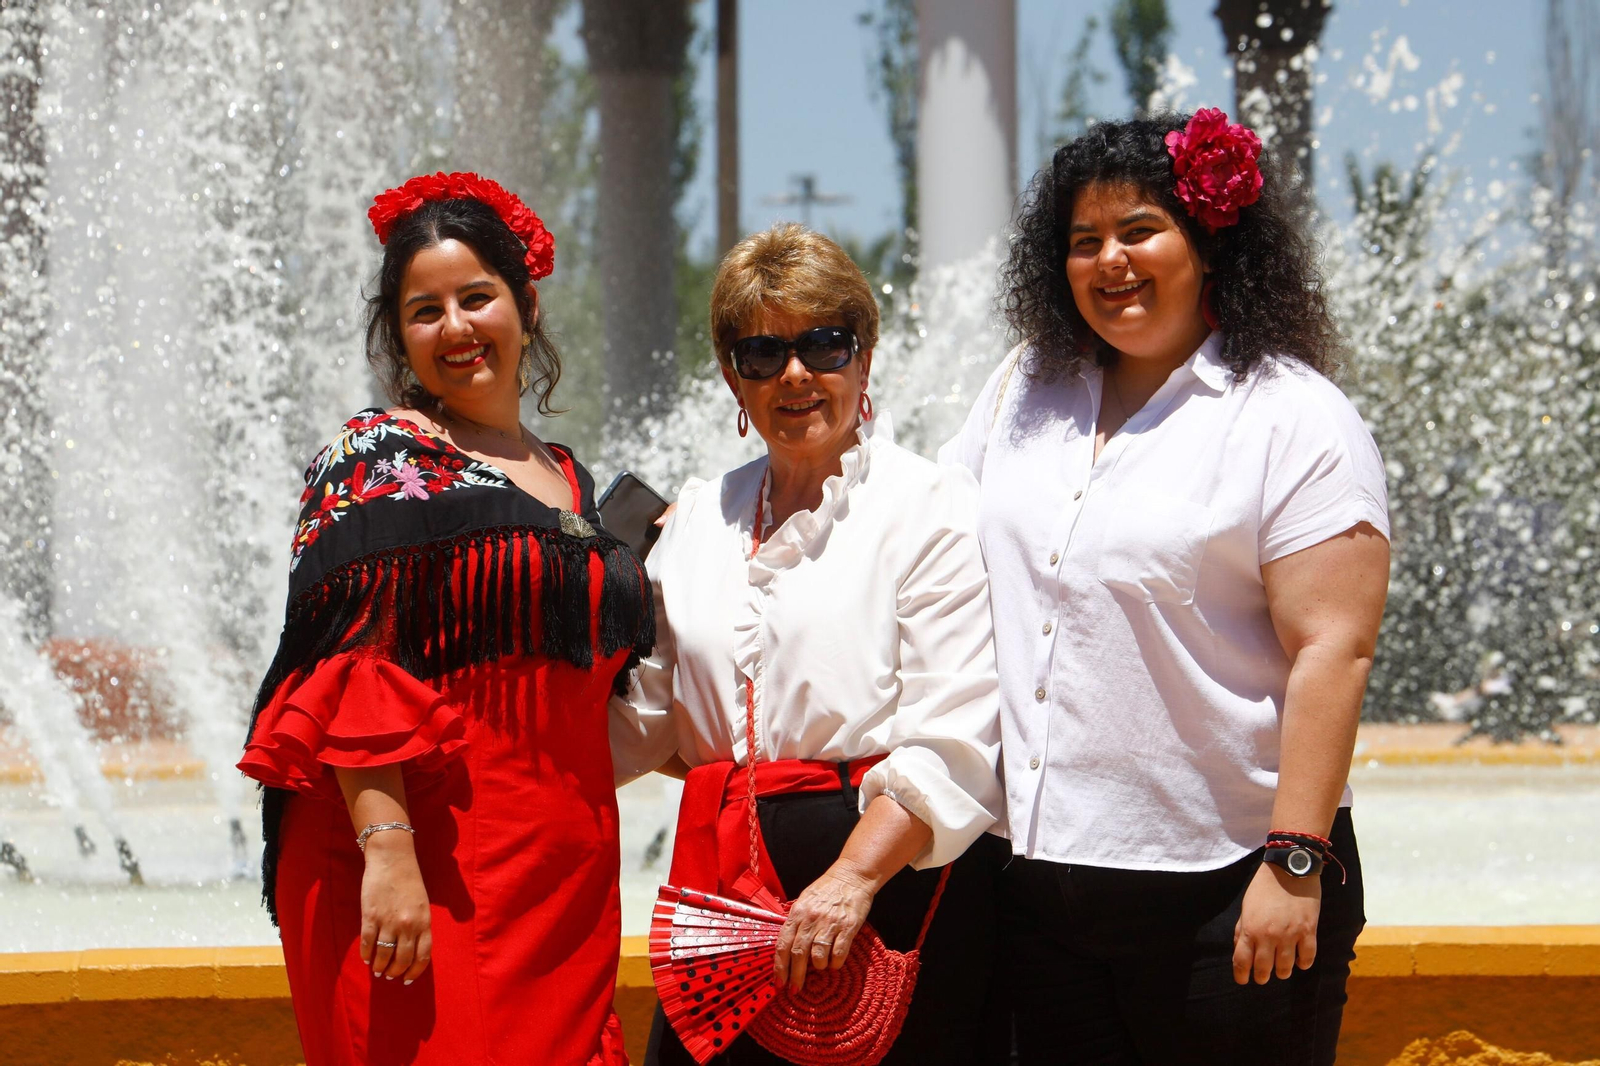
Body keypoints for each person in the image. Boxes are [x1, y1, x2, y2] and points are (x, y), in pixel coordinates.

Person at [941, 110, 1391, 1065]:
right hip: (1038, 889)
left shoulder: (1293, 416)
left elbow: (1334, 649)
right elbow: (933, 539)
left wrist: (1294, 863)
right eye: (1084, 240)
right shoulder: (1024, 388)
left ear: (1210, 243)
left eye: (1140, 230)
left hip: (1230, 892)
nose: (1111, 260)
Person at [239, 172, 653, 1066]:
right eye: (424, 312)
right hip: (423, 869)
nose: (456, 328)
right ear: (399, 338)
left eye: (476, 297)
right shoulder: (376, 457)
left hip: (564, 880)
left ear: (526, 306)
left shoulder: (573, 477)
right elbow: (346, 671)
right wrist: (389, 855)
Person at [611, 224, 1007, 1065]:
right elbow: (643, 727)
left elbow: (955, 740)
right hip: (723, 889)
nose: (794, 373)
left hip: (885, 881)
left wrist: (851, 879)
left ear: (864, 359)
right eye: (762, 354)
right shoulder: (698, 517)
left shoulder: (929, 504)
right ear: (733, 379)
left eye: (823, 344)